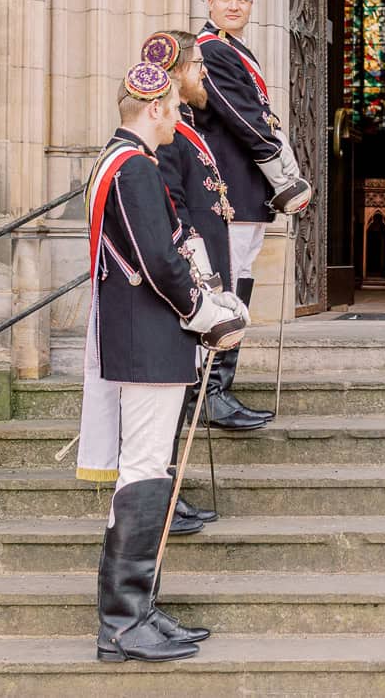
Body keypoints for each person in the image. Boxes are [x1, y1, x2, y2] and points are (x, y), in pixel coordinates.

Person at [77, 62, 250, 663]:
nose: (180, 116)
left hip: (141, 335)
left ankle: (139, 611)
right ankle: (124, 624)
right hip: (150, 340)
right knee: (145, 470)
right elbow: (158, 260)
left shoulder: (116, 163)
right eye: (175, 106)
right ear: (153, 109)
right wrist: (209, 313)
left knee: (146, 470)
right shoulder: (135, 169)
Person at [197, 0, 312, 429]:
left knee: (239, 279)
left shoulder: (235, 50)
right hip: (230, 185)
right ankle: (210, 395)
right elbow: (245, 119)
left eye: (242, 0)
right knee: (226, 284)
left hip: (247, 186)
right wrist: (284, 175)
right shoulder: (212, 51)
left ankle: (219, 390)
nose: (234, 6)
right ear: (209, 4)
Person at [142, 29, 234, 529]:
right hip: (188, 278)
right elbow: (173, 204)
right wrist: (199, 274)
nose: (204, 73)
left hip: (202, 271)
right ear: (177, 73)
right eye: (198, 65)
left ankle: (169, 494)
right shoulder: (169, 132)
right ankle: (162, 500)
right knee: (172, 401)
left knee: (181, 395)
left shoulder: (187, 124)